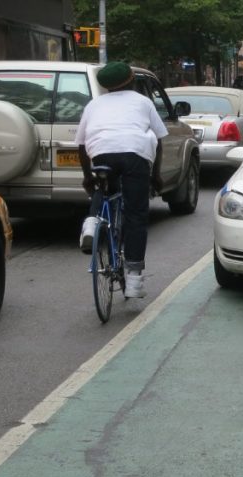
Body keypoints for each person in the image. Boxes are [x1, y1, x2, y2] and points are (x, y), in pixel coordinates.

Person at [76, 61, 169, 299]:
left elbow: (82, 143)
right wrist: (155, 175)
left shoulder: (94, 104)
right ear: (130, 81)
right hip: (134, 155)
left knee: (102, 183)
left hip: (101, 154)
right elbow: (159, 140)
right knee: (136, 215)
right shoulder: (143, 102)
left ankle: (91, 222)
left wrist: (88, 177)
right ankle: (135, 280)